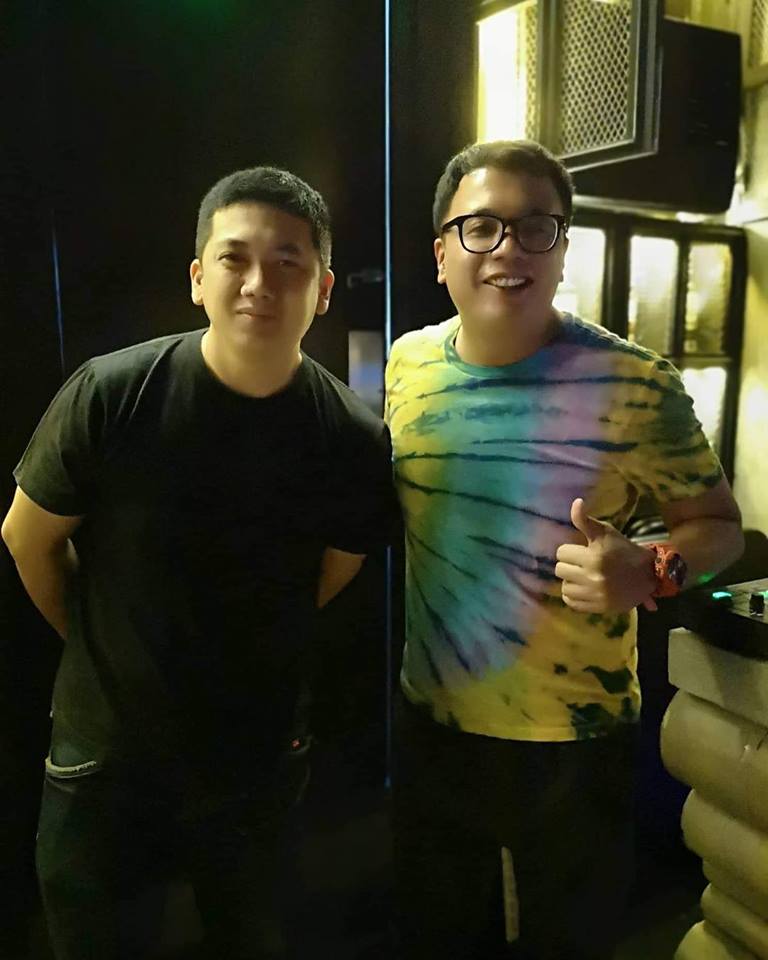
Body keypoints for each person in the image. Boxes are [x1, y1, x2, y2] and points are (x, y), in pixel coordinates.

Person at [1, 165, 396, 960]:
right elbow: (27, 538)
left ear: (322, 288)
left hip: (258, 758)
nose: (258, 282)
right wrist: (101, 641)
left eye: (287, 262)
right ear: (196, 278)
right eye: (234, 258)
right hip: (105, 757)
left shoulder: (352, 438)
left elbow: (337, 567)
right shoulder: (112, 392)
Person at [385, 139, 744, 960]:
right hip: (433, 724)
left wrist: (650, 569)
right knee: (437, 938)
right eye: (480, 226)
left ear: (561, 249)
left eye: (535, 227)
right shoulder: (408, 366)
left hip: (576, 744)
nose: (507, 248)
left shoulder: (636, 383)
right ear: (441, 253)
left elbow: (719, 526)